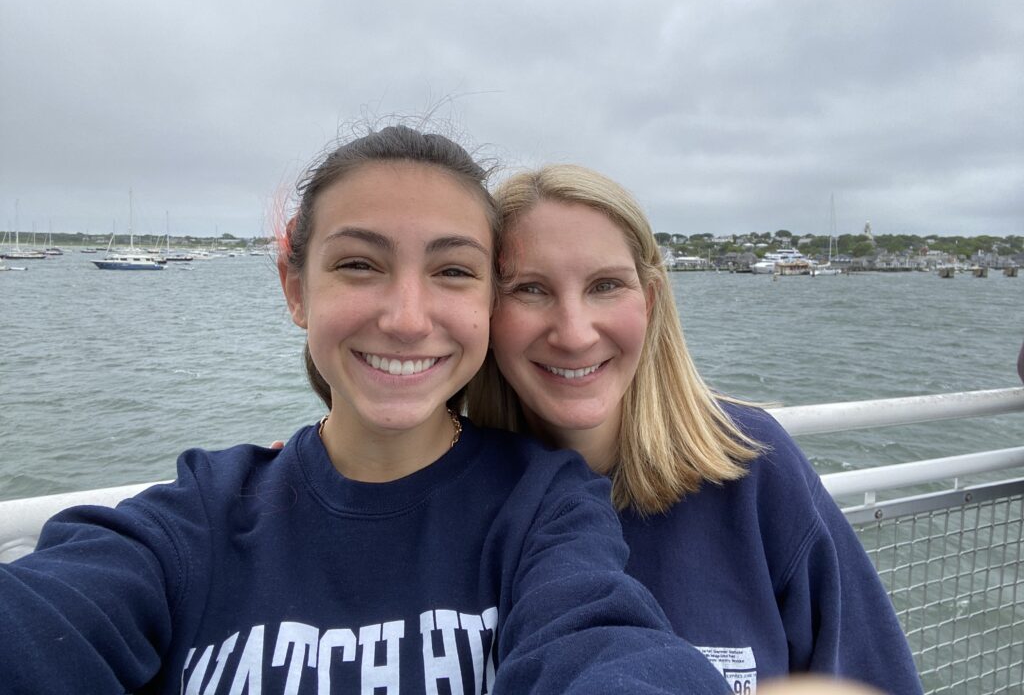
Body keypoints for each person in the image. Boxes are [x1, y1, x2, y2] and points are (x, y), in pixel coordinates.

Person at [0, 130, 731, 693]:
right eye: (359, 264)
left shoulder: (543, 506)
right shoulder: (197, 523)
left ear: (486, 302)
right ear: (295, 289)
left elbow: (602, 643)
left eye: (452, 271)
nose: (408, 319)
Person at [467, 163, 923, 695]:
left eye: (606, 285)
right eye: (530, 289)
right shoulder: (448, 499)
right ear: (486, 314)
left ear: (650, 301)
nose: (574, 333)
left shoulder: (754, 468)